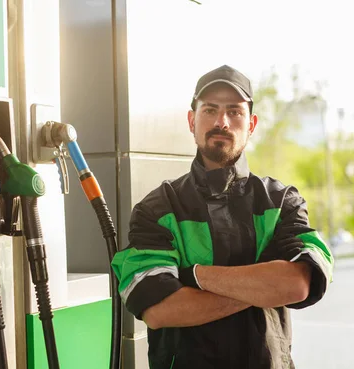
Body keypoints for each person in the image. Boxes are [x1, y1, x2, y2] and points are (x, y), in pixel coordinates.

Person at [111, 65, 334, 369]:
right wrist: (263, 286)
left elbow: (297, 285)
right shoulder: (158, 209)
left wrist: (195, 275)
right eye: (210, 110)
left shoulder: (281, 202)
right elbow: (160, 310)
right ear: (192, 121)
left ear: (251, 124)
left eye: (234, 112)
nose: (221, 122)